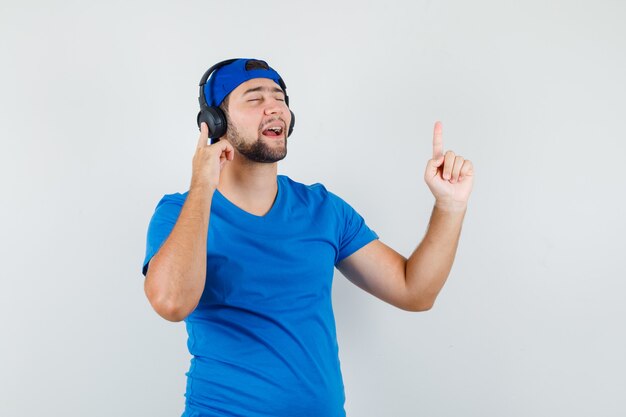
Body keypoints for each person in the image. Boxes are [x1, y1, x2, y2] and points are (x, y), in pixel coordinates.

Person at [141, 58, 474, 417]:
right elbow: (171, 303)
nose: (274, 107)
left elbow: (415, 291)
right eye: (254, 98)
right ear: (214, 123)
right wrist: (203, 184)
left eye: (280, 98)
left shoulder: (323, 209)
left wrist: (449, 206)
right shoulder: (181, 212)